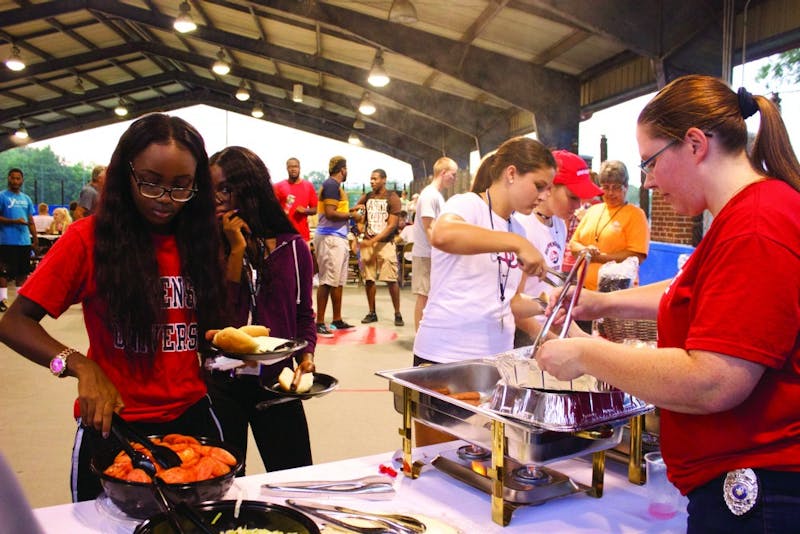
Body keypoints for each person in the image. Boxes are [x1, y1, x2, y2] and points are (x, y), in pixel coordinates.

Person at [536, 75, 800, 533]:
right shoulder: (746, 214)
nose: (650, 182)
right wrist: (597, 304)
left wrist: (586, 354)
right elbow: (698, 294)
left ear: (695, 143)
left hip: (762, 495)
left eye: (651, 163)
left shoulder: (756, 226)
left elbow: (713, 381)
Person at [0, 114, 227, 502]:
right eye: (150, 183)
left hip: (194, 419)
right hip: (115, 425)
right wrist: (78, 364)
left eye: (180, 186)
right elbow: (13, 322)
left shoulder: (201, 240)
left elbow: (201, 327)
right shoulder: (88, 240)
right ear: (126, 174)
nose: (165, 199)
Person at [205, 146, 315, 473]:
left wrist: (306, 355)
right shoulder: (207, 246)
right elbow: (223, 322)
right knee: (223, 482)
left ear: (249, 188)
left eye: (225, 188)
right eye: (210, 189)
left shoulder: (292, 248)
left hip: (275, 383)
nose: (216, 198)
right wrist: (236, 250)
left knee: (293, 475)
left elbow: (303, 315)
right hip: (222, 385)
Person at [413, 137, 553, 365]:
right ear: (511, 174)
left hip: (497, 359)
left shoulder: (516, 228)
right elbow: (442, 234)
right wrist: (517, 243)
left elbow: (510, 300)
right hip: (446, 355)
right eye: (539, 186)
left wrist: (547, 303)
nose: (544, 196)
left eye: (549, 189)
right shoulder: (467, 204)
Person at [513, 150, 602, 346]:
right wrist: (555, 341)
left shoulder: (559, 225)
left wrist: (580, 337)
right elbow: (515, 307)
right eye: (572, 197)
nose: (578, 206)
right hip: (523, 337)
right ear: (550, 187)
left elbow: (553, 294)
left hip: (546, 332)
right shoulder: (522, 227)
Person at [568, 160, 650, 291]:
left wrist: (599, 258)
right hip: (583, 289)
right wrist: (585, 251)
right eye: (605, 187)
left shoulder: (636, 214)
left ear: (626, 187)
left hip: (617, 291)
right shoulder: (592, 210)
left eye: (616, 187)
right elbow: (573, 244)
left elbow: (637, 256)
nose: (610, 193)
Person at [410, 157, 457, 330]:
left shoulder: (436, 195)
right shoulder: (430, 195)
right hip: (426, 255)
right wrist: (442, 251)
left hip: (431, 255)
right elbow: (429, 227)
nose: (454, 179)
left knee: (430, 296)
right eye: (453, 174)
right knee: (424, 296)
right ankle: (419, 336)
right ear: (443, 173)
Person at [354, 169, 404, 326]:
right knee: (369, 279)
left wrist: (373, 240)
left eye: (375, 179)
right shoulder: (367, 197)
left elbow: (391, 226)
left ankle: (397, 313)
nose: (372, 182)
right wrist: (361, 227)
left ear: (384, 180)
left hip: (385, 244)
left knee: (391, 279)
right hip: (369, 243)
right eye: (371, 179)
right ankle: (372, 312)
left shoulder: (392, 198)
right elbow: (357, 213)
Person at [313, 156, 356, 337]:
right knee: (327, 281)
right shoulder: (331, 185)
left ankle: (336, 319)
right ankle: (320, 322)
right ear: (343, 170)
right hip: (330, 238)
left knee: (337, 281)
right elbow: (330, 214)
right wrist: (352, 216)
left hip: (338, 237)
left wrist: (350, 213)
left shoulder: (335, 186)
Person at [0, 168, 39, 312]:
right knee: (3, 272)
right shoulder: (2, 196)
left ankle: (18, 303)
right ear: (8, 179)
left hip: (24, 242)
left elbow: (30, 220)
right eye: (13, 178)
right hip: (6, 241)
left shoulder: (26, 198)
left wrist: (35, 240)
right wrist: (14, 221)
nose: (15, 181)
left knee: (22, 273)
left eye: (18, 178)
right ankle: (1, 300)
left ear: (22, 180)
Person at [273, 157, 318, 242]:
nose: (293, 169)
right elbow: (272, 210)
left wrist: (305, 210)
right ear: (287, 168)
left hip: (303, 236)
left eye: (295, 166)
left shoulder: (308, 186)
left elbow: (315, 209)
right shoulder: (278, 187)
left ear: (299, 168)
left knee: (304, 255)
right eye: (290, 167)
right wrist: (282, 213)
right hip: (284, 235)